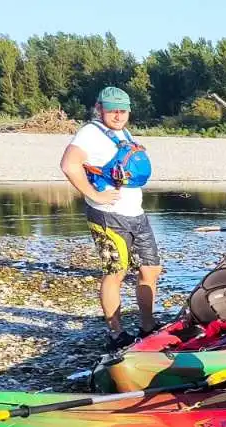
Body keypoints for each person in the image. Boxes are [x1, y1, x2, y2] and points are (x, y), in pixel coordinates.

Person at [59, 86, 161, 350]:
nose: (118, 115)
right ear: (99, 108)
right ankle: (116, 333)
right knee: (115, 272)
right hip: (108, 215)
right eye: (112, 110)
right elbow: (69, 165)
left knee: (150, 269)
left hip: (135, 212)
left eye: (123, 110)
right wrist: (94, 194)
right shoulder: (89, 133)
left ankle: (148, 325)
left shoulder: (121, 132)